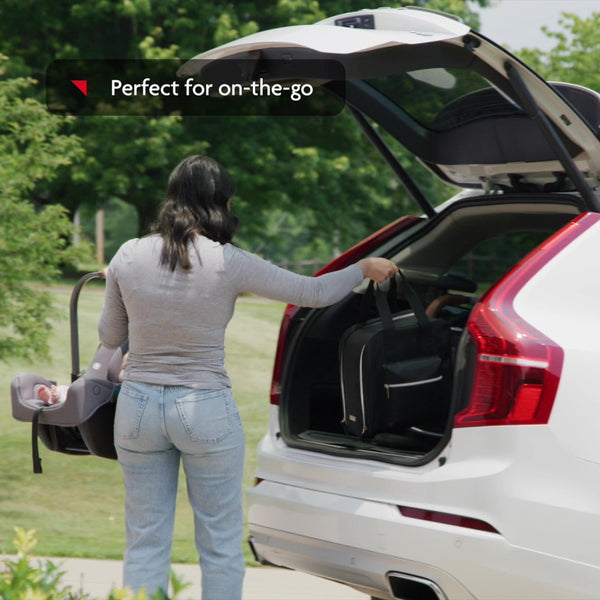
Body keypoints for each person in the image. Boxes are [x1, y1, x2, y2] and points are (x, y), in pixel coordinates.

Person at [98, 154, 398, 599]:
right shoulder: (227, 260)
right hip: (203, 407)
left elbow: (110, 335)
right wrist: (362, 269)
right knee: (219, 542)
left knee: (144, 538)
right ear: (221, 202)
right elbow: (311, 292)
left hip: (138, 407)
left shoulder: (127, 253)